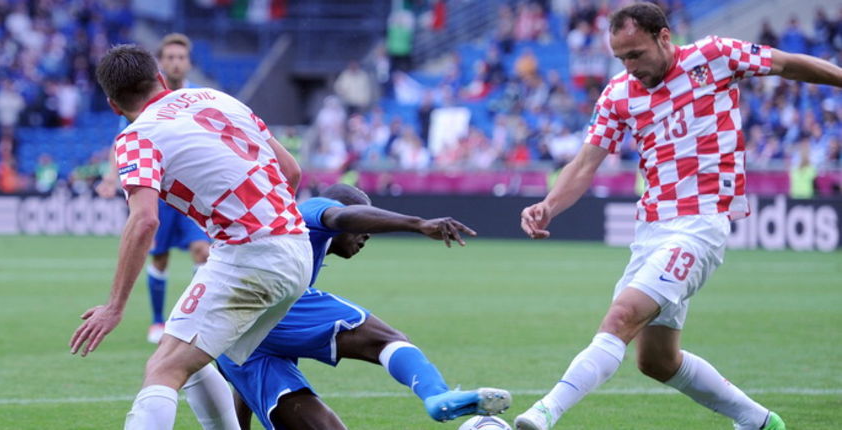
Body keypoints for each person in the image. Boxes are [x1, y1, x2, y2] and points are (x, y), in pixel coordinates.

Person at [514, 3, 842, 429]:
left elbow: (788, 64)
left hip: (700, 225)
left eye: (636, 54)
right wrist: (548, 205)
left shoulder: (714, 56)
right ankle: (761, 423)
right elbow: (583, 164)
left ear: (664, 37)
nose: (630, 67)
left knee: (620, 317)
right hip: (651, 229)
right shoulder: (618, 94)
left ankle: (544, 412)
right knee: (657, 361)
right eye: (621, 58)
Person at [69, 44, 313, 430]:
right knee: (187, 350)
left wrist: (114, 306)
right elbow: (292, 171)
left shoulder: (136, 136)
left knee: (163, 367)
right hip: (297, 248)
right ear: (161, 79)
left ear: (114, 106)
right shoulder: (216, 98)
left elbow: (144, 220)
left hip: (252, 254)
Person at [215, 183, 511, 430]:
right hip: (267, 299)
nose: (366, 235)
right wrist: (418, 224)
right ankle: (436, 395)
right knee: (388, 340)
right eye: (364, 227)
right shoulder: (311, 208)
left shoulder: (295, 247)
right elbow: (342, 218)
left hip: (235, 335)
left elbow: (241, 366)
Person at [96, 33, 211, 344]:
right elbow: (122, 141)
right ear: (161, 65)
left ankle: (194, 319)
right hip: (158, 192)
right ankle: (158, 321)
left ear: (188, 63)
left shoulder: (198, 98)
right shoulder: (140, 104)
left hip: (193, 191)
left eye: (181, 57)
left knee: (203, 251)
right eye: (170, 57)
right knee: (158, 258)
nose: (176, 62)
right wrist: (111, 175)